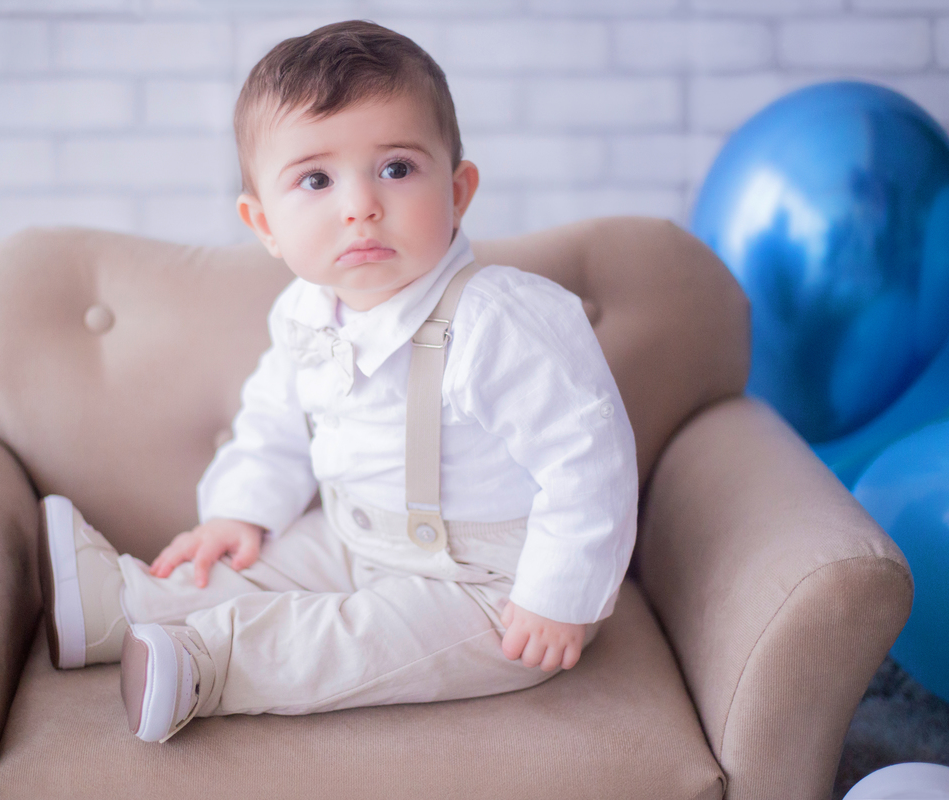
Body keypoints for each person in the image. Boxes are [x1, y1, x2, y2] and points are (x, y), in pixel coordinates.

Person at [38, 19, 638, 744]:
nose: (360, 205)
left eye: (395, 168)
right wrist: (240, 513)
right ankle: (125, 602)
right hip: (356, 532)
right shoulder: (303, 312)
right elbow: (275, 426)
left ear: (459, 189)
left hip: (492, 585)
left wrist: (559, 595)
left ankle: (209, 661)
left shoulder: (500, 322)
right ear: (263, 222)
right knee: (275, 558)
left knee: (364, 641)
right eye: (316, 179)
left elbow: (589, 459)